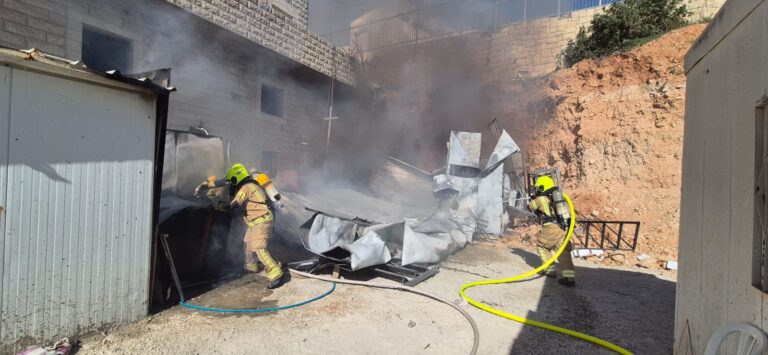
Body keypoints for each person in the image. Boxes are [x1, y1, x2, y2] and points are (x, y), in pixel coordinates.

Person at [198, 163, 286, 289]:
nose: (231, 185)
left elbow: (233, 205)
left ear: (236, 179)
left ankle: (276, 274)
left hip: (262, 220)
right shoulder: (250, 185)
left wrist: (221, 206)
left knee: (259, 247)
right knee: (248, 243)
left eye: (232, 182)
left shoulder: (247, 187)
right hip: (255, 221)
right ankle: (251, 266)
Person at [528, 175, 575, 287]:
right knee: (563, 252)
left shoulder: (541, 199)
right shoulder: (561, 196)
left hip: (551, 228)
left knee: (542, 247)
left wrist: (533, 198)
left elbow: (530, 207)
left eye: (538, 187)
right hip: (564, 227)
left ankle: (550, 271)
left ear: (541, 188)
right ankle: (569, 278)